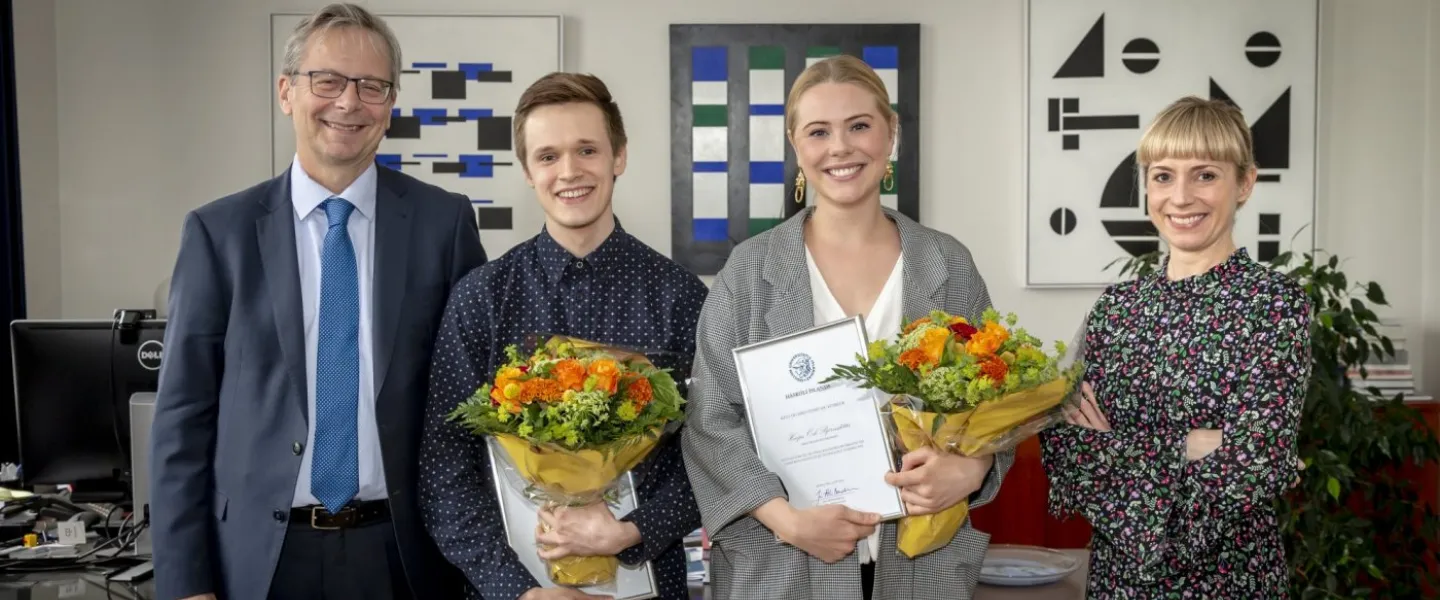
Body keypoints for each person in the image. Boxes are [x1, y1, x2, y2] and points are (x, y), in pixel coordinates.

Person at [148, 4, 487, 600]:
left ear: (390, 104)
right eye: (327, 80)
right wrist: (186, 584)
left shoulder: (444, 224)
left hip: (406, 556)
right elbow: (182, 420)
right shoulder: (217, 233)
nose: (349, 102)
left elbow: (474, 404)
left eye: (372, 86)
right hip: (259, 562)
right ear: (287, 92)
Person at [680, 55, 1013, 600]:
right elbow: (710, 420)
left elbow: (995, 399)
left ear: (891, 133)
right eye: (819, 132)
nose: (840, 148)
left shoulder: (946, 263)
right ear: (796, 147)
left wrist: (972, 468)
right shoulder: (751, 268)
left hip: (919, 566)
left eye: (859, 125)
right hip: (780, 565)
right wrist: (786, 519)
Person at [419, 72, 708, 600]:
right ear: (527, 170)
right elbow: (445, 469)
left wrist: (631, 531)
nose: (570, 171)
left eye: (588, 150)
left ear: (618, 156)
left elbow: (711, 453)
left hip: (650, 581)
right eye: (548, 156)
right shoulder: (481, 299)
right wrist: (521, 591)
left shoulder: (682, 297)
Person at [1039, 96, 1313, 598]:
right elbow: (1068, 452)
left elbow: (1258, 462)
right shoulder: (1116, 309)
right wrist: (1192, 444)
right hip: (1116, 585)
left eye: (1205, 175)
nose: (1181, 197)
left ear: (1245, 183)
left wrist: (1122, 460)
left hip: (1232, 581)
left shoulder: (1274, 305)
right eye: (1163, 176)